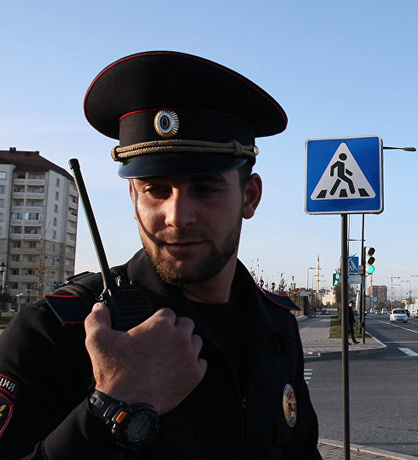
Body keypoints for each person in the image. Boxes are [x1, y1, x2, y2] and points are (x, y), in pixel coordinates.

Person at [0, 51, 321, 459]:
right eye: (155, 189)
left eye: (204, 189)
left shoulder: (276, 328)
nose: (177, 216)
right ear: (133, 196)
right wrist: (114, 405)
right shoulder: (56, 333)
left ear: (250, 196)